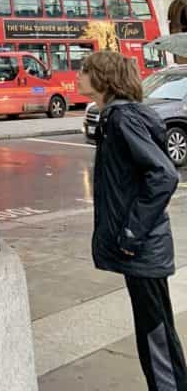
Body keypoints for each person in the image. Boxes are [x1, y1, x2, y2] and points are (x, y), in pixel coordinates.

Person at [79, 51, 187, 390]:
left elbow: (164, 174)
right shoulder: (113, 118)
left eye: (85, 70)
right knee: (154, 332)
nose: (78, 76)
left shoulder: (123, 119)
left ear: (102, 78)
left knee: (155, 336)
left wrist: (129, 233)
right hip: (138, 247)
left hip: (140, 248)